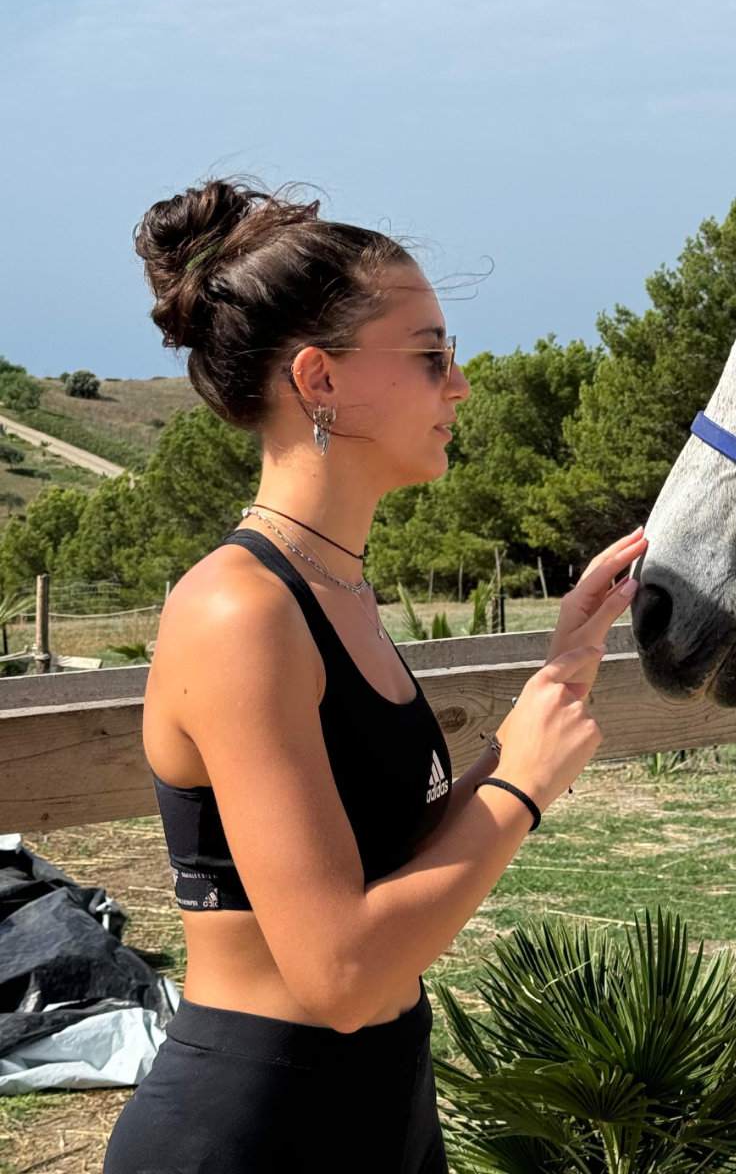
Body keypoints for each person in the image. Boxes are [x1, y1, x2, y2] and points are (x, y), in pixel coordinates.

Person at [103, 179, 646, 1173]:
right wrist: (520, 785)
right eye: (430, 354)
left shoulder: (332, 587)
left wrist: (559, 672)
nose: (461, 386)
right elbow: (340, 972)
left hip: (378, 1106)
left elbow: (391, 863)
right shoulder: (241, 611)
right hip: (253, 1129)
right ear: (320, 380)